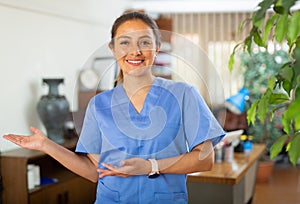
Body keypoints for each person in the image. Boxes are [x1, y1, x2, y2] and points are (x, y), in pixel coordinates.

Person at [3, 11, 225, 203]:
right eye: (125, 42)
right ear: (113, 49)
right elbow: (93, 172)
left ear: (157, 48)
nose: (135, 51)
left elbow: (205, 159)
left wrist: (150, 166)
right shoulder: (99, 105)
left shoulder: (184, 95)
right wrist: (46, 145)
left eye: (145, 42)